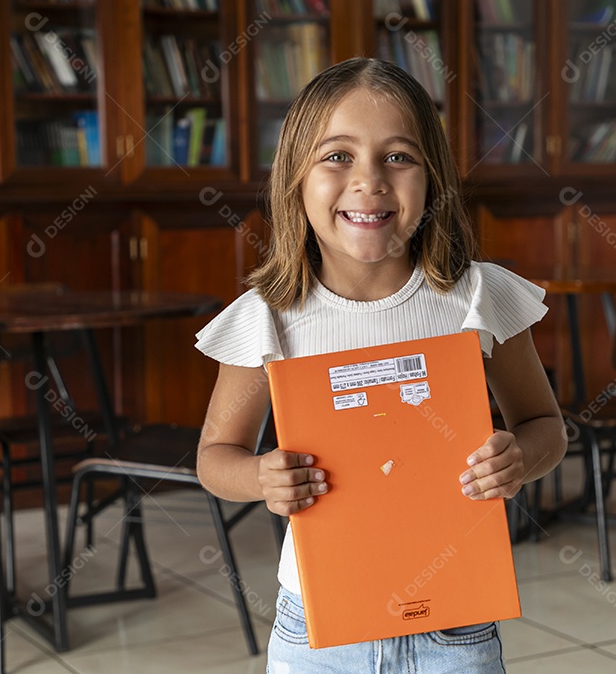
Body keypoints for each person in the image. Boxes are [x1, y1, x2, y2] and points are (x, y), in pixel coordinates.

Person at [195, 57, 566, 673]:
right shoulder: (269, 314)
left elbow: (547, 427)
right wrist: (261, 478)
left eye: (398, 157)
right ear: (295, 177)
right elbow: (213, 457)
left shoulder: (478, 296)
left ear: (433, 178)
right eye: (337, 156)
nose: (368, 181)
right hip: (317, 624)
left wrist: (520, 459)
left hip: (456, 624)